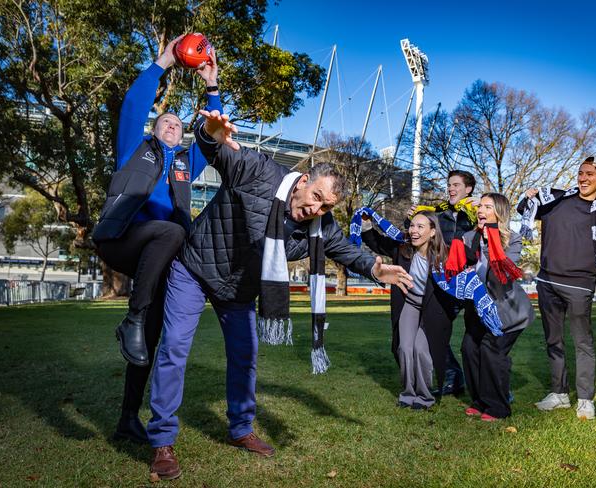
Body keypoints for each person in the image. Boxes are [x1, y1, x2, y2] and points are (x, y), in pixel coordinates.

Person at [146, 109, 415, 480]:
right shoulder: (259, 171)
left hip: (238, 290)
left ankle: (240, 430)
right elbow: (214, 148)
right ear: (304, 180)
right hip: (195, 268)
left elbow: (347, 251)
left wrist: (375, 268)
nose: (315, 209)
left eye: (326, 206)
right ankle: (162, 440)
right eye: (315, 196)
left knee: (245, 356)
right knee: (174, 348)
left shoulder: (321, 225)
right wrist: (209, 130)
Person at [91, 35, 222, 443]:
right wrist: (164, 60)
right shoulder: (135, 147)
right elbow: (133, 104)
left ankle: (128, 417)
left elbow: (214, 133)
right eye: (165, 121)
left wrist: (213, 86)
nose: (172, 125)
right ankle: (131, 316)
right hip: (121, 239)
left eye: (178, 125)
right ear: (154, 128)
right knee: (173, 229)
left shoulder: (184, 164)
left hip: (160, 259)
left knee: (147, 339)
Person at [518, 157, 596, 420]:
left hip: (580, 286)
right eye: (580, 173)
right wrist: (528, 196)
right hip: (546, 283)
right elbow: (525, 209)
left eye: (591, 173)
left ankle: (586, 399)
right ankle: (559, 394)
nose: (583, 178)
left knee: (583, 343)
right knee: (553, 340)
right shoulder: (558, 199)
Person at [360, 210, 456, 409]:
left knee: (421, 349)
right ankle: (408, 393)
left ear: (432, 232)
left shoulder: (445, 256)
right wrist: (366, 223)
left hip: (432, 310)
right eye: (412, 225)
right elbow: (375, 242)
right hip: (410, 304)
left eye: (420, 227)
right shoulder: (402, 249)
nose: (413, 230)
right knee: (404, 348)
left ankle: (424, 397)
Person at [459, 193, 534, 421]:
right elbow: (462, 266)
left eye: (488, 206)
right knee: (469, 349)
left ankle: (498, 407)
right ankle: (480, 401)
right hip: (477, 309)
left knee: (492, 351)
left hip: (508, 312)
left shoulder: (512, 239)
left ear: (498, 213)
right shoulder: (469, 236)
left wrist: (490, 237)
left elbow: (503, 273)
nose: (481, 209)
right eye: (480, 205)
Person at [413, 170, 479, 395]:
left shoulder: (476, 212)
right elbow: (419, 229)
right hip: (444, 280)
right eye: (449, 185)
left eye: (456, 185)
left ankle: (493, 385)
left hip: (470, 279)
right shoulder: (438, 212)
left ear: (468, 189)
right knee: (431, 326)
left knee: (480, 335)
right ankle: (453, 375)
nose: (450, 188)